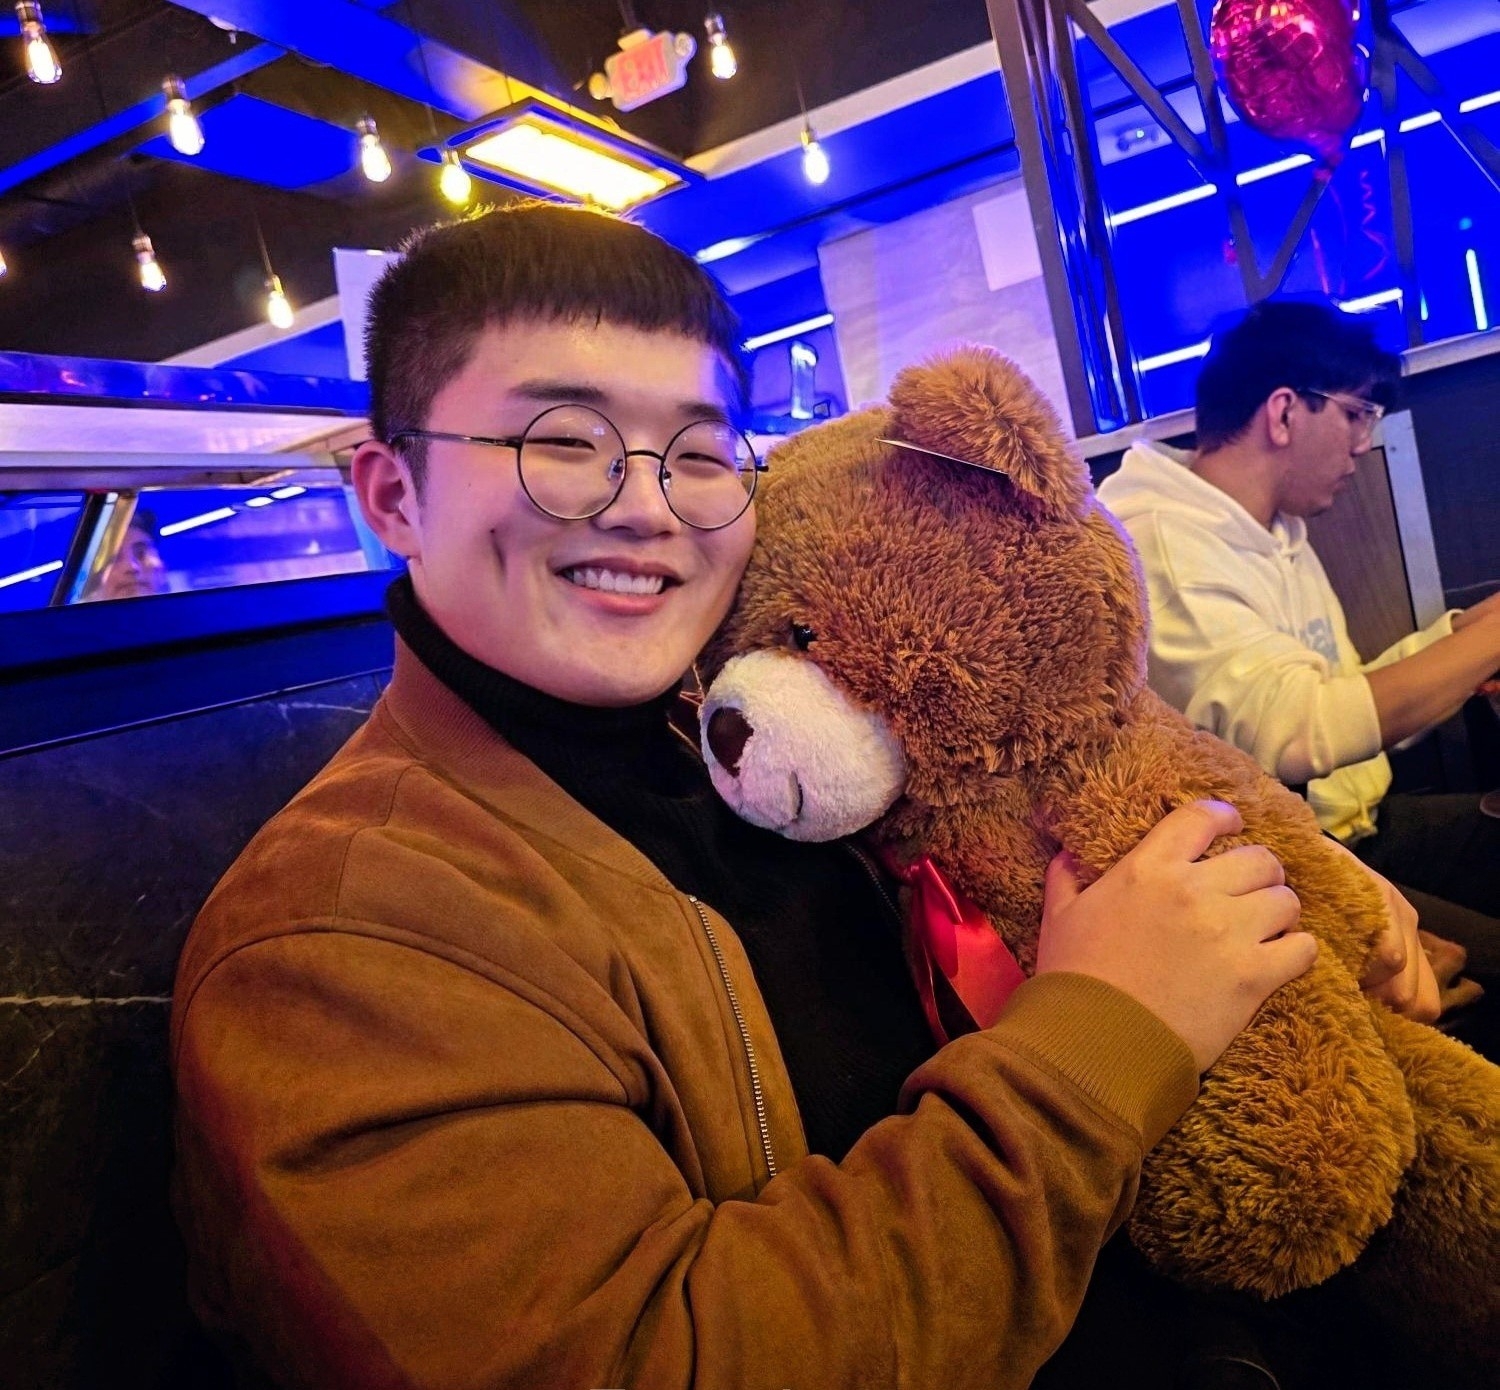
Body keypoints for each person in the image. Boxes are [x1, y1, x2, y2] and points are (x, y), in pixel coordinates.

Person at [174, 209, 1437, 1390]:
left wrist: (1298, 879)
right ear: (391, 494)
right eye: (562, 441)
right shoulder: (339, 938)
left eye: (699, 454)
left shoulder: (736, 714)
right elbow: (667, 1356)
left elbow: (1050, 747)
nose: (646, 507)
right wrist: (1108, 1032)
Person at [1097, 300, 1500, 1007]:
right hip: (1283, 874)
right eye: (1357, 414)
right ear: (1284, 412)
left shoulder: (1274, 530)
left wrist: (1461, 639)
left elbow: (1340, 691)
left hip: (1360, 826)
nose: (1363, 444)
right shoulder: (1160, 543)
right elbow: (1297, 732)